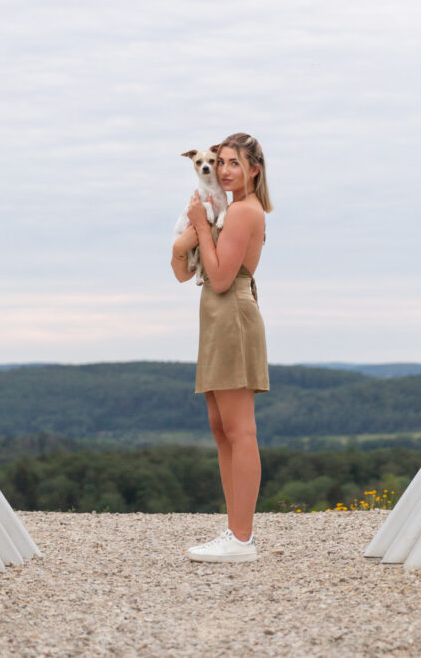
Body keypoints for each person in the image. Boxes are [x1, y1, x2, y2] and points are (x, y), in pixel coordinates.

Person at [171, 132, 272, 562]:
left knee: (240, 430)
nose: (226, 170)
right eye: (222, 162)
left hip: (232, 313)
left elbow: (222, 275)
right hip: (215, 317)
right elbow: (182, 271)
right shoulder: (226, 211)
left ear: (254, 170)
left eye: (235, 163)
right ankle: (235, 529)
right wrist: (186, 240)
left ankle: (242, 538)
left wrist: (197, 227)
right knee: (221, 429)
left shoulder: (244, 213)